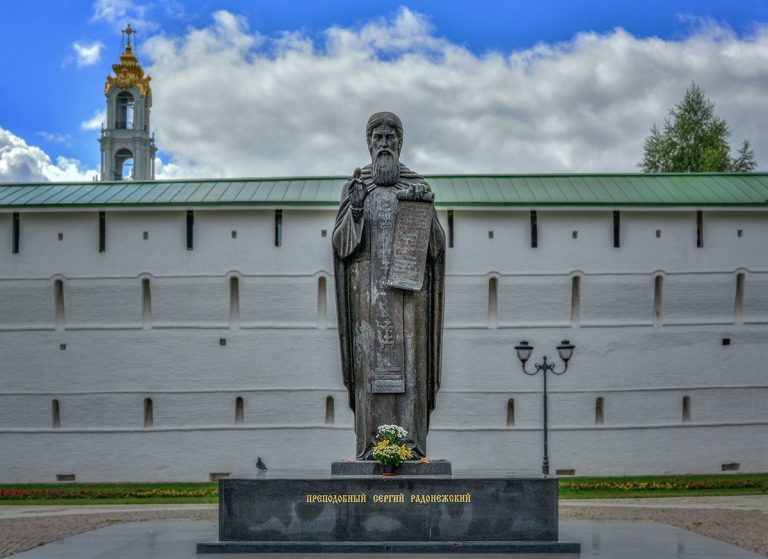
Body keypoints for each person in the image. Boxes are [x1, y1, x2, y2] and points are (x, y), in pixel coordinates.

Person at [333, 112, 445, 460]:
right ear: (369, 143)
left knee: (409, 371)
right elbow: (340, 246)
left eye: (390, 138)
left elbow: (437, 248)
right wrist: (354, 209)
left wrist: (423, 209)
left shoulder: (415, 186)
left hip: (409, 300)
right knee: (370, 371)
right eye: (377, 138)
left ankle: (410, 446)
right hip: (366, 297)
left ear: (400, 142)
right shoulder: (356, 188)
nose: (384, 144)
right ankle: (371, 447)